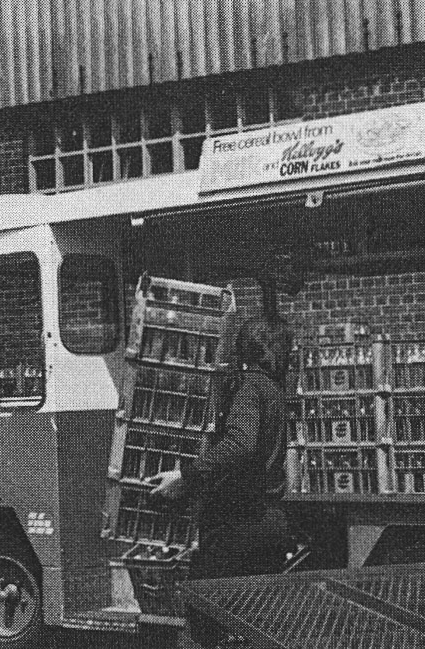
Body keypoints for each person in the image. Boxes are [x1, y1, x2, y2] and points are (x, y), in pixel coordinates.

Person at [147, 264, 300, 647]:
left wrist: (186, 474)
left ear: (247, 348)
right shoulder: (276, 390)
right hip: (270, 521)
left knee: (203, 624)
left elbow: (239, 443)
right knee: (253, 626)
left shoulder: (250, 386)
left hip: (237, 525)